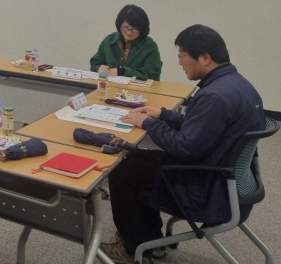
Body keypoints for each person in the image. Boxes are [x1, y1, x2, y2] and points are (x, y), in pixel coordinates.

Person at [100, 25, 265, 263]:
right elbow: (201, 128)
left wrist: (147, 122)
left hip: (204, 186)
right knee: (135, 162)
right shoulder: (237, 85)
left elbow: (184, 147)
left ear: (205, 58)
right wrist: (163, 114)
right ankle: (150, 242)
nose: (179, 62)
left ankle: (133, 246)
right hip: (222, 175)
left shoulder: (214, 96)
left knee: (122, 169)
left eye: (182, 55)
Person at [89, 4, 162, 80]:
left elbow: (152, 74)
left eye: (134, 29)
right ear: (120, 25)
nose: (129, 32)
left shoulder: (149, 45)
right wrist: (99, 67)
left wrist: (122, 71)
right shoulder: (109, 40)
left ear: (142, 28)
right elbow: (95, 63)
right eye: (126, 27)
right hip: (109, 85)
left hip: (137, 87)